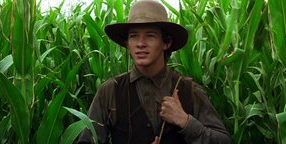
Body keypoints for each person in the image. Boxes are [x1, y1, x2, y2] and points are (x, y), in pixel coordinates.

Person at [78, 0, 231, 143]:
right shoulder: (110, 91)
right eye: (133, 36)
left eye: (150, 36)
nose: (140, 44)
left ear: (166, 42)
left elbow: (224, 140)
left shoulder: (189, 91)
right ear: (127, 43)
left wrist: (185, 122)